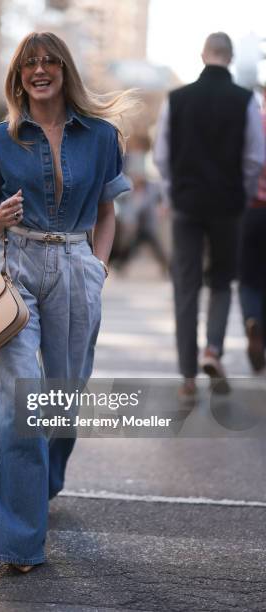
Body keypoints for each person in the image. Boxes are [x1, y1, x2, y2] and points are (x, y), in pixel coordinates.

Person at [0, 32, 134, 571]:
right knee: (19, 402)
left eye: (49, 61)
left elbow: (108, 210)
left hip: (76, 266)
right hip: (15, 267)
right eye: (30, 63)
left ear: (64, 70)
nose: (40, 70)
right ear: (19, 75)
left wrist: (97, 267)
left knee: (62, 399)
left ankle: (44, 480)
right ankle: (18, 543)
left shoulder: (102, 136)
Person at [153, 32, 265, 403]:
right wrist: (243, 195)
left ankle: (187, 375)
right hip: (229, 206)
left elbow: (162, 157)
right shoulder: (246, 100)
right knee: (221, 282)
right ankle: (212, 351)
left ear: (203, 55)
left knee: (185, 286)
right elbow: (254, 159)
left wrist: (173, 193)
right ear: (229, 58)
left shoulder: (176, 99)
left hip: (186, 203)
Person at [238, 86, 266, 372]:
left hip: (251, 210)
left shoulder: (254, 124)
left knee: (249, 278)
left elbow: (246, 163)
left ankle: (252, 320)